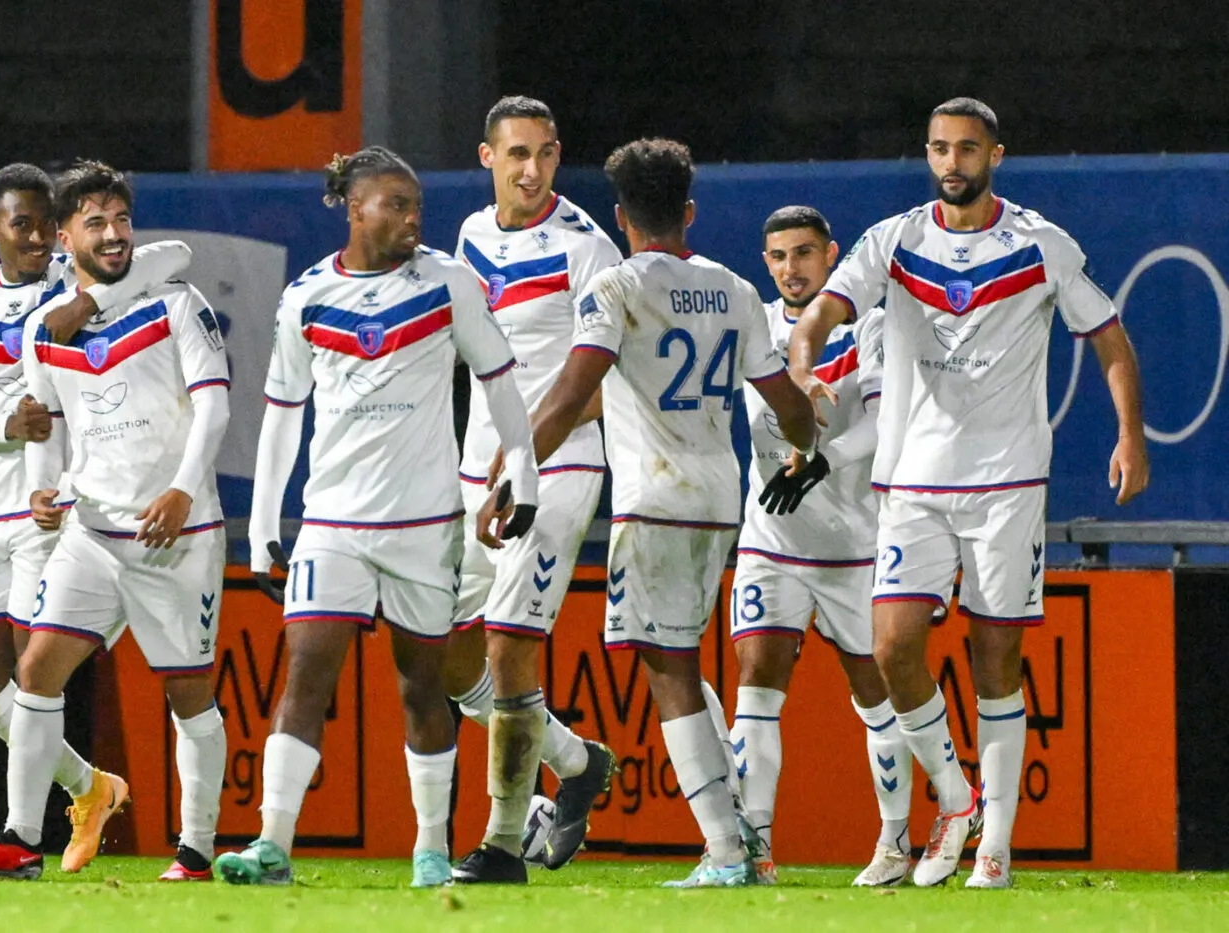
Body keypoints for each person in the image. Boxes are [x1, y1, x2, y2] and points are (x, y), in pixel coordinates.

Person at [788, 97, 1150, 888]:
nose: (952, 162)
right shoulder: (896, 240)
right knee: (891, 647)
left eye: (967, 149)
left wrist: (1131, 434)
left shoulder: (1039, 243)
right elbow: (825, 309)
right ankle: (955, 797)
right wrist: (806, 355)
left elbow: (1112, 341)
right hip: (911, 480)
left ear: (996, 155)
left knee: (996, 657)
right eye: (940, 149)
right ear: (927, 155)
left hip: (1005, 481)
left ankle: (996, 846)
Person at [483, 138, 818, 888]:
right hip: (719, 496)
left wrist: (516, 469)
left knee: (668, 669)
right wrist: (805, 449)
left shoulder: (616, 287)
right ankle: (737, 831)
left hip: (655, 496)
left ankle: (730, 854)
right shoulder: (734, 287)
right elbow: (789, 404)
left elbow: (572, 395)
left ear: (621, 217)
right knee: (677, 656)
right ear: (688, 211)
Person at [218, 146, 538, 889]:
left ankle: (430, 850)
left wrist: (520, 466)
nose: (410, 217)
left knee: (422, 689)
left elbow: (498, 376)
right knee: (304, 676)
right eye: (393, 204)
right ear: (354, 208)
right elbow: (281, 413)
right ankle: (271, 844)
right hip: (332, 523)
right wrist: (265, 522)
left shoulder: (449, 283)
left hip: (425, 526)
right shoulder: (306, 295)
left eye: (415, 204)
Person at [0, 160, 230, 882]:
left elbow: (215, 406)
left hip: (177, 534)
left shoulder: (175, 301)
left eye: (122, 220)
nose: (113, 234)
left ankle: (195, 849)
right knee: (37, 668)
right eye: (95, 223)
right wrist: (44, 491)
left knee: (187, 688)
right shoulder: (45, 328)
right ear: (65, 236)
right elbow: (50, 424)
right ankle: (19, 838)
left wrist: (183, 490)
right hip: (93, 532)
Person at [444, 95, 621, 884]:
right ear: (488, 158)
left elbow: (607, 380)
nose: (531, 169)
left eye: (545, 153)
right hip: (471, 466)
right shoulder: (472, 236)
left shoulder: (588, 248)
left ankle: (503, 842)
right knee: (444, 653)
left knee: (511, 642)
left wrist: (527, 459)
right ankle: (577, 761)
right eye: (516, 154)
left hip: (560, 467)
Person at [721, 205, 911, 887]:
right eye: (777, 256)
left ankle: (894, 844)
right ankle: (756, 849)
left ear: (832, 256)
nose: (791, 268)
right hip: (772, 540)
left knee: (877, 692)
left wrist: (825, 457)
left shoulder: (874, 325)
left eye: (804, 253)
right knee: (756, 684)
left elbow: (886, 426)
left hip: (856, 546)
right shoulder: (753, 325)